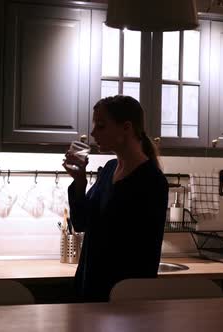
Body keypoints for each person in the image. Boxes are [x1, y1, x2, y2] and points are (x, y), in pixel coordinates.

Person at [63, 95, 169, 302]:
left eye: (101, 125)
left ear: (126, 128)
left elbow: (142, 252)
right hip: (90, 284)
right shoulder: (109, 169)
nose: (93, 132)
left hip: (124, 295)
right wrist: (79, 181)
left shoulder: (151, 182)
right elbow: (82, 222)